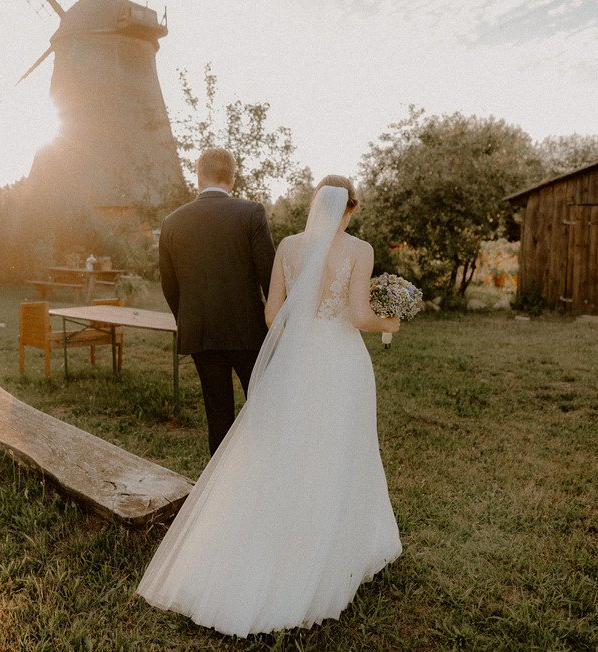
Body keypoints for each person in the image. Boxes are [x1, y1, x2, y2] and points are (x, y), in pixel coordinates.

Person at [137, 175, 402, 637]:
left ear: (316, 204)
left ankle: (270, 538)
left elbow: (270, 314)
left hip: (297, 360)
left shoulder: (290, 247)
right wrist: (391, 321)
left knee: (286, 449)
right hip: (339, 362)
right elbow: (359, 316)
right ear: (351, 208)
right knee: (337, 450)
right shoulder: (360, 251)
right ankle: (327, 545)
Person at [158, 148, 276, 456]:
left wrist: (189, 318)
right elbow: (270, 276)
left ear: (198, 176)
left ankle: (220, 491)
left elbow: (169, 286)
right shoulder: (251, 212)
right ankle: (263, 473)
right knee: (263, 407)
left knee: (218, 413)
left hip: (200, 333)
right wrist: (276, 324)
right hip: (248, 331)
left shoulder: (172, 221)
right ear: (232, 178)